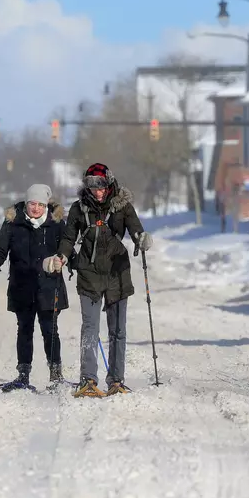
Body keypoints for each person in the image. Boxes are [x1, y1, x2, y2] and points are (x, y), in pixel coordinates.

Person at [43, 163, 152, 397]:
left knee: (118, 331)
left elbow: (136, 230)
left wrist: (141, 238)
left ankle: (116, 380)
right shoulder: (79, 209)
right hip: (89, 274)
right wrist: (61, 256)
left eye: (101, 186)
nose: (98, 191)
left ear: (109, 183)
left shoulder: (123, 206)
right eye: (92, 186)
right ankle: (88, 379)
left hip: (117, 273)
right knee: (90, 329)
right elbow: (68, 237)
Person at [0, 184, 69, 392]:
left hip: (49, 286)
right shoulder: (13, 222)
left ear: (46, 204)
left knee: (50, 330)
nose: (36, 208)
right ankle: (23, 375)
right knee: (25, 330)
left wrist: (66, 261)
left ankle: (56, 375)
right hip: (22, 285)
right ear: (26, 203)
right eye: (32, 204)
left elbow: (67, 249)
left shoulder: (56, 223)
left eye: (40, 204)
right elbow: (1, 248)